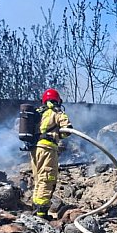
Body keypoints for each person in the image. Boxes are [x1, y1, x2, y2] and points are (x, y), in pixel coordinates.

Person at [30, 88, 72, 219]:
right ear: (57, 100)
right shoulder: (56, 112)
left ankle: (36, 209)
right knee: (47, 179)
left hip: (35, 149)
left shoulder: (37, 113)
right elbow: (67, 130)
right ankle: (42, 214)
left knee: (38, 180)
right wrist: (58, 134)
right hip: (48, 149)